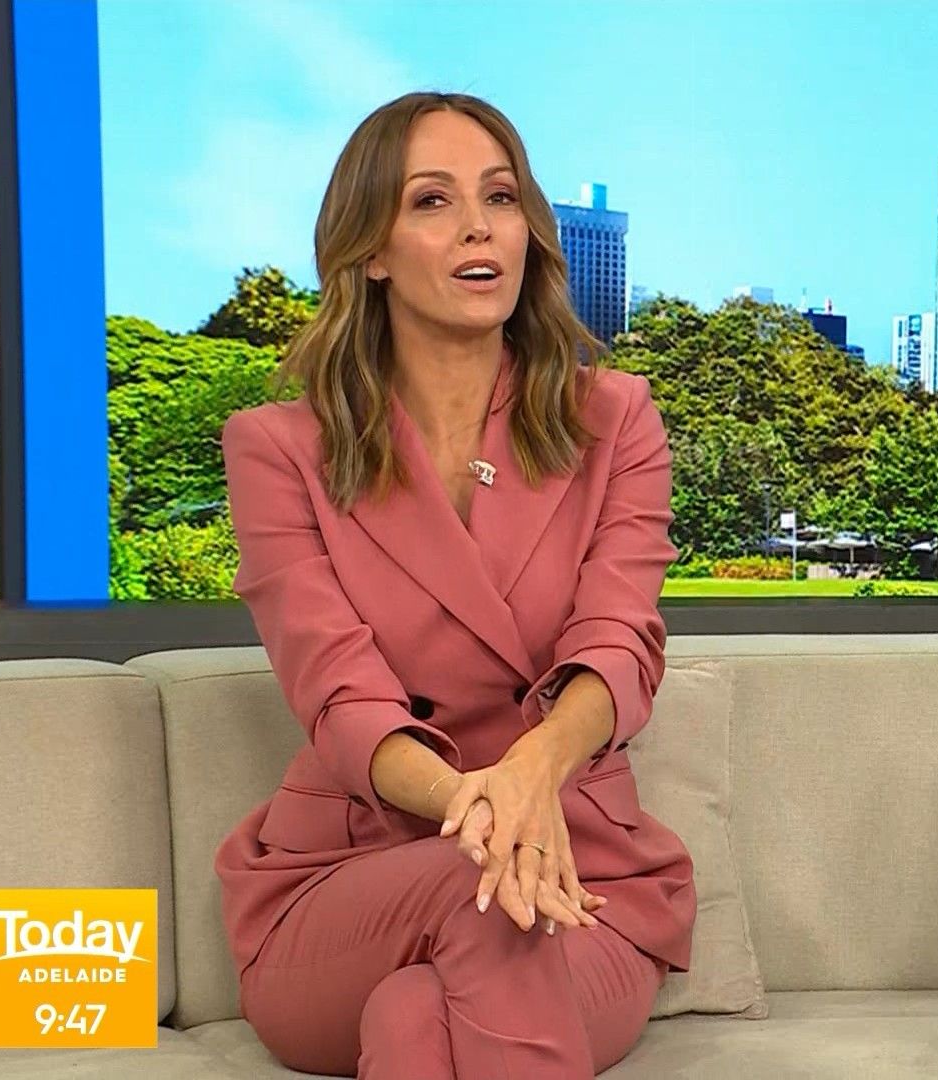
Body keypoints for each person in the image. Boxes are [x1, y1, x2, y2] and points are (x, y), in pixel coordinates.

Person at [214, 91, 692, 1079]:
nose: (480, 226)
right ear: (372, 251)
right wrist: (482, 812)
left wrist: (533, 772)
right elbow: (339, 695)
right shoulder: (278, 449)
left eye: (501, 197)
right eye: (433, 201)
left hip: (581, 882)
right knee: (468, 887)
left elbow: (618, 642)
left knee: (416, 1020)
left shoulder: (615, 420)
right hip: (349, 884)